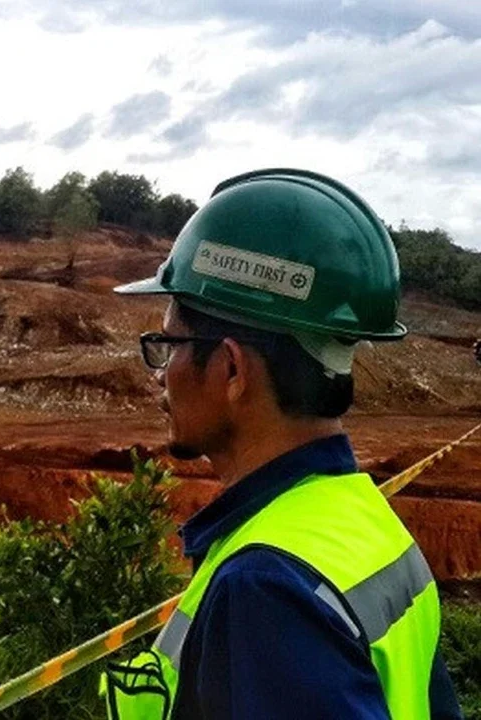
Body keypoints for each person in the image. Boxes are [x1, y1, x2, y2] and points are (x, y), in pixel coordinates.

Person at [102, 169, 461, 719]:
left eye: (167, 344)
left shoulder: (266, 590)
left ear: (230, 369)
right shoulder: (358, 518)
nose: (158, 375)